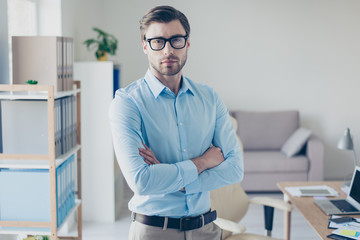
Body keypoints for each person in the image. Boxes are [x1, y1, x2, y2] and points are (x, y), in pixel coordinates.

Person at [109, 5, 244, 240]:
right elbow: (142, 181)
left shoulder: (210, 98)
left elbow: (235, 169)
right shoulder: (127, 103)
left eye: (176, 40)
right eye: (158, 41)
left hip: (207, 230)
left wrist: (177, 179)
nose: (168, 49)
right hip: (153, 231)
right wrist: (203, 162)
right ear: (145, 46)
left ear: (188, 43)